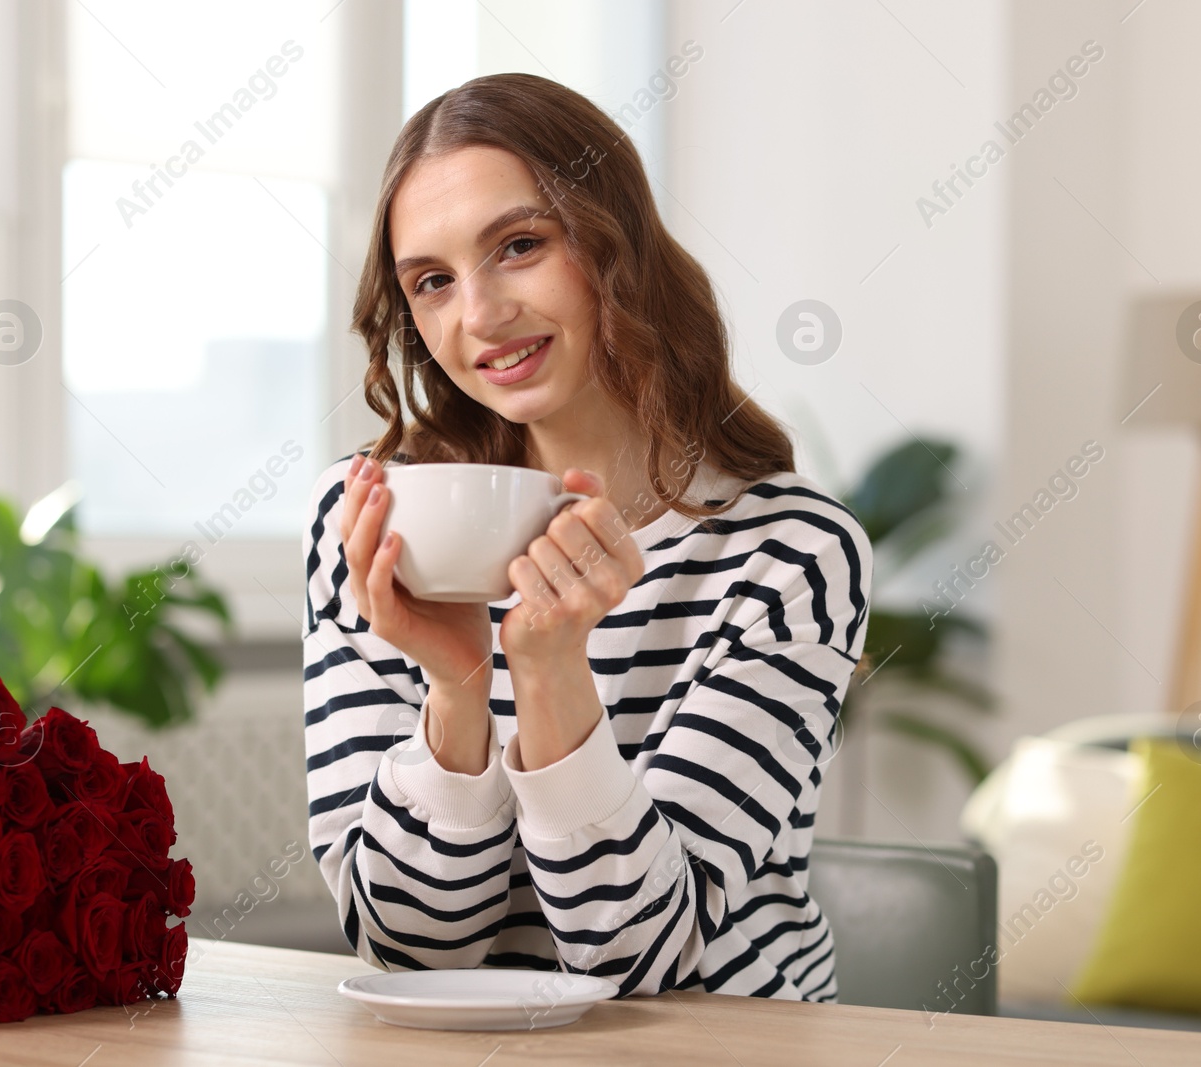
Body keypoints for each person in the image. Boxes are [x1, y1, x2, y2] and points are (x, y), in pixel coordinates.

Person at [302, 72, 871, 1002]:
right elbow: (403, 949)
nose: (479, 317)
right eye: (433, 282)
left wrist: (553, 674)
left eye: (519, 245)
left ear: (616, 246)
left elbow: (639, 959)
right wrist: (458, 692)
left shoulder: (791, 550)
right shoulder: (371, 524)